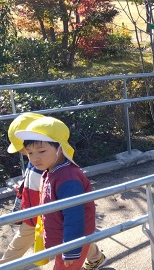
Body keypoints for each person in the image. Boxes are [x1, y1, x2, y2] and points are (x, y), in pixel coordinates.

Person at [14, 116, 107, 270]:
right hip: (63, 237)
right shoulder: (51, 170)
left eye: (42, 151)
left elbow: (74, 215)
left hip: (72, 241)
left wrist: (71, 250)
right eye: (30, 153)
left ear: (60, 148)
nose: (35, 158)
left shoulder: (67, 178)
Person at [0, 112, 45, 265]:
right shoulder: (35, 159)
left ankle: (5, 266)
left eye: (22, 149)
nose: (23, 153)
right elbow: (31, 178)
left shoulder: (49, 165)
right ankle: (95, 257)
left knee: (74, 238)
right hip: (32, 212)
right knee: (76, 238)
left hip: (42, 214)